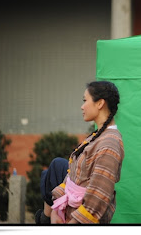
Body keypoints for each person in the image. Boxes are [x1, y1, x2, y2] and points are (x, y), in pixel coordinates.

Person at [35, 81, 124, 224]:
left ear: (100, 104)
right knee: (54, 168)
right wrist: (56, 211)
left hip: (78, 219)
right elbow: (72, 175)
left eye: (85, 100)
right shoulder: (100, 136)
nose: (82, 106)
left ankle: (43, 220)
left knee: (55, 167)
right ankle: (44, 218)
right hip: (69, 210)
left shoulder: (109, 144)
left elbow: (98, 196)